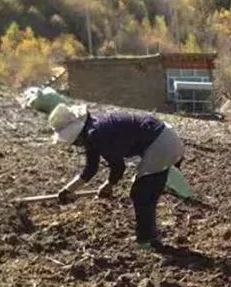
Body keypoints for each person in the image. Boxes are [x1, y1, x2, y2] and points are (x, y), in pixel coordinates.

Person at [51, 104, 185, 248]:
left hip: (161, 144)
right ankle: (150, 238)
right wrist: (69, 189)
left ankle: (146, 241)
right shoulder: (93, 129)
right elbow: (91, 168)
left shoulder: (98, 134)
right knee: (146, 193)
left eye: (74, 141)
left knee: (141, 194)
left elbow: (118, 167)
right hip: (166, 138)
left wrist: (109, 185)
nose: (75, 144)